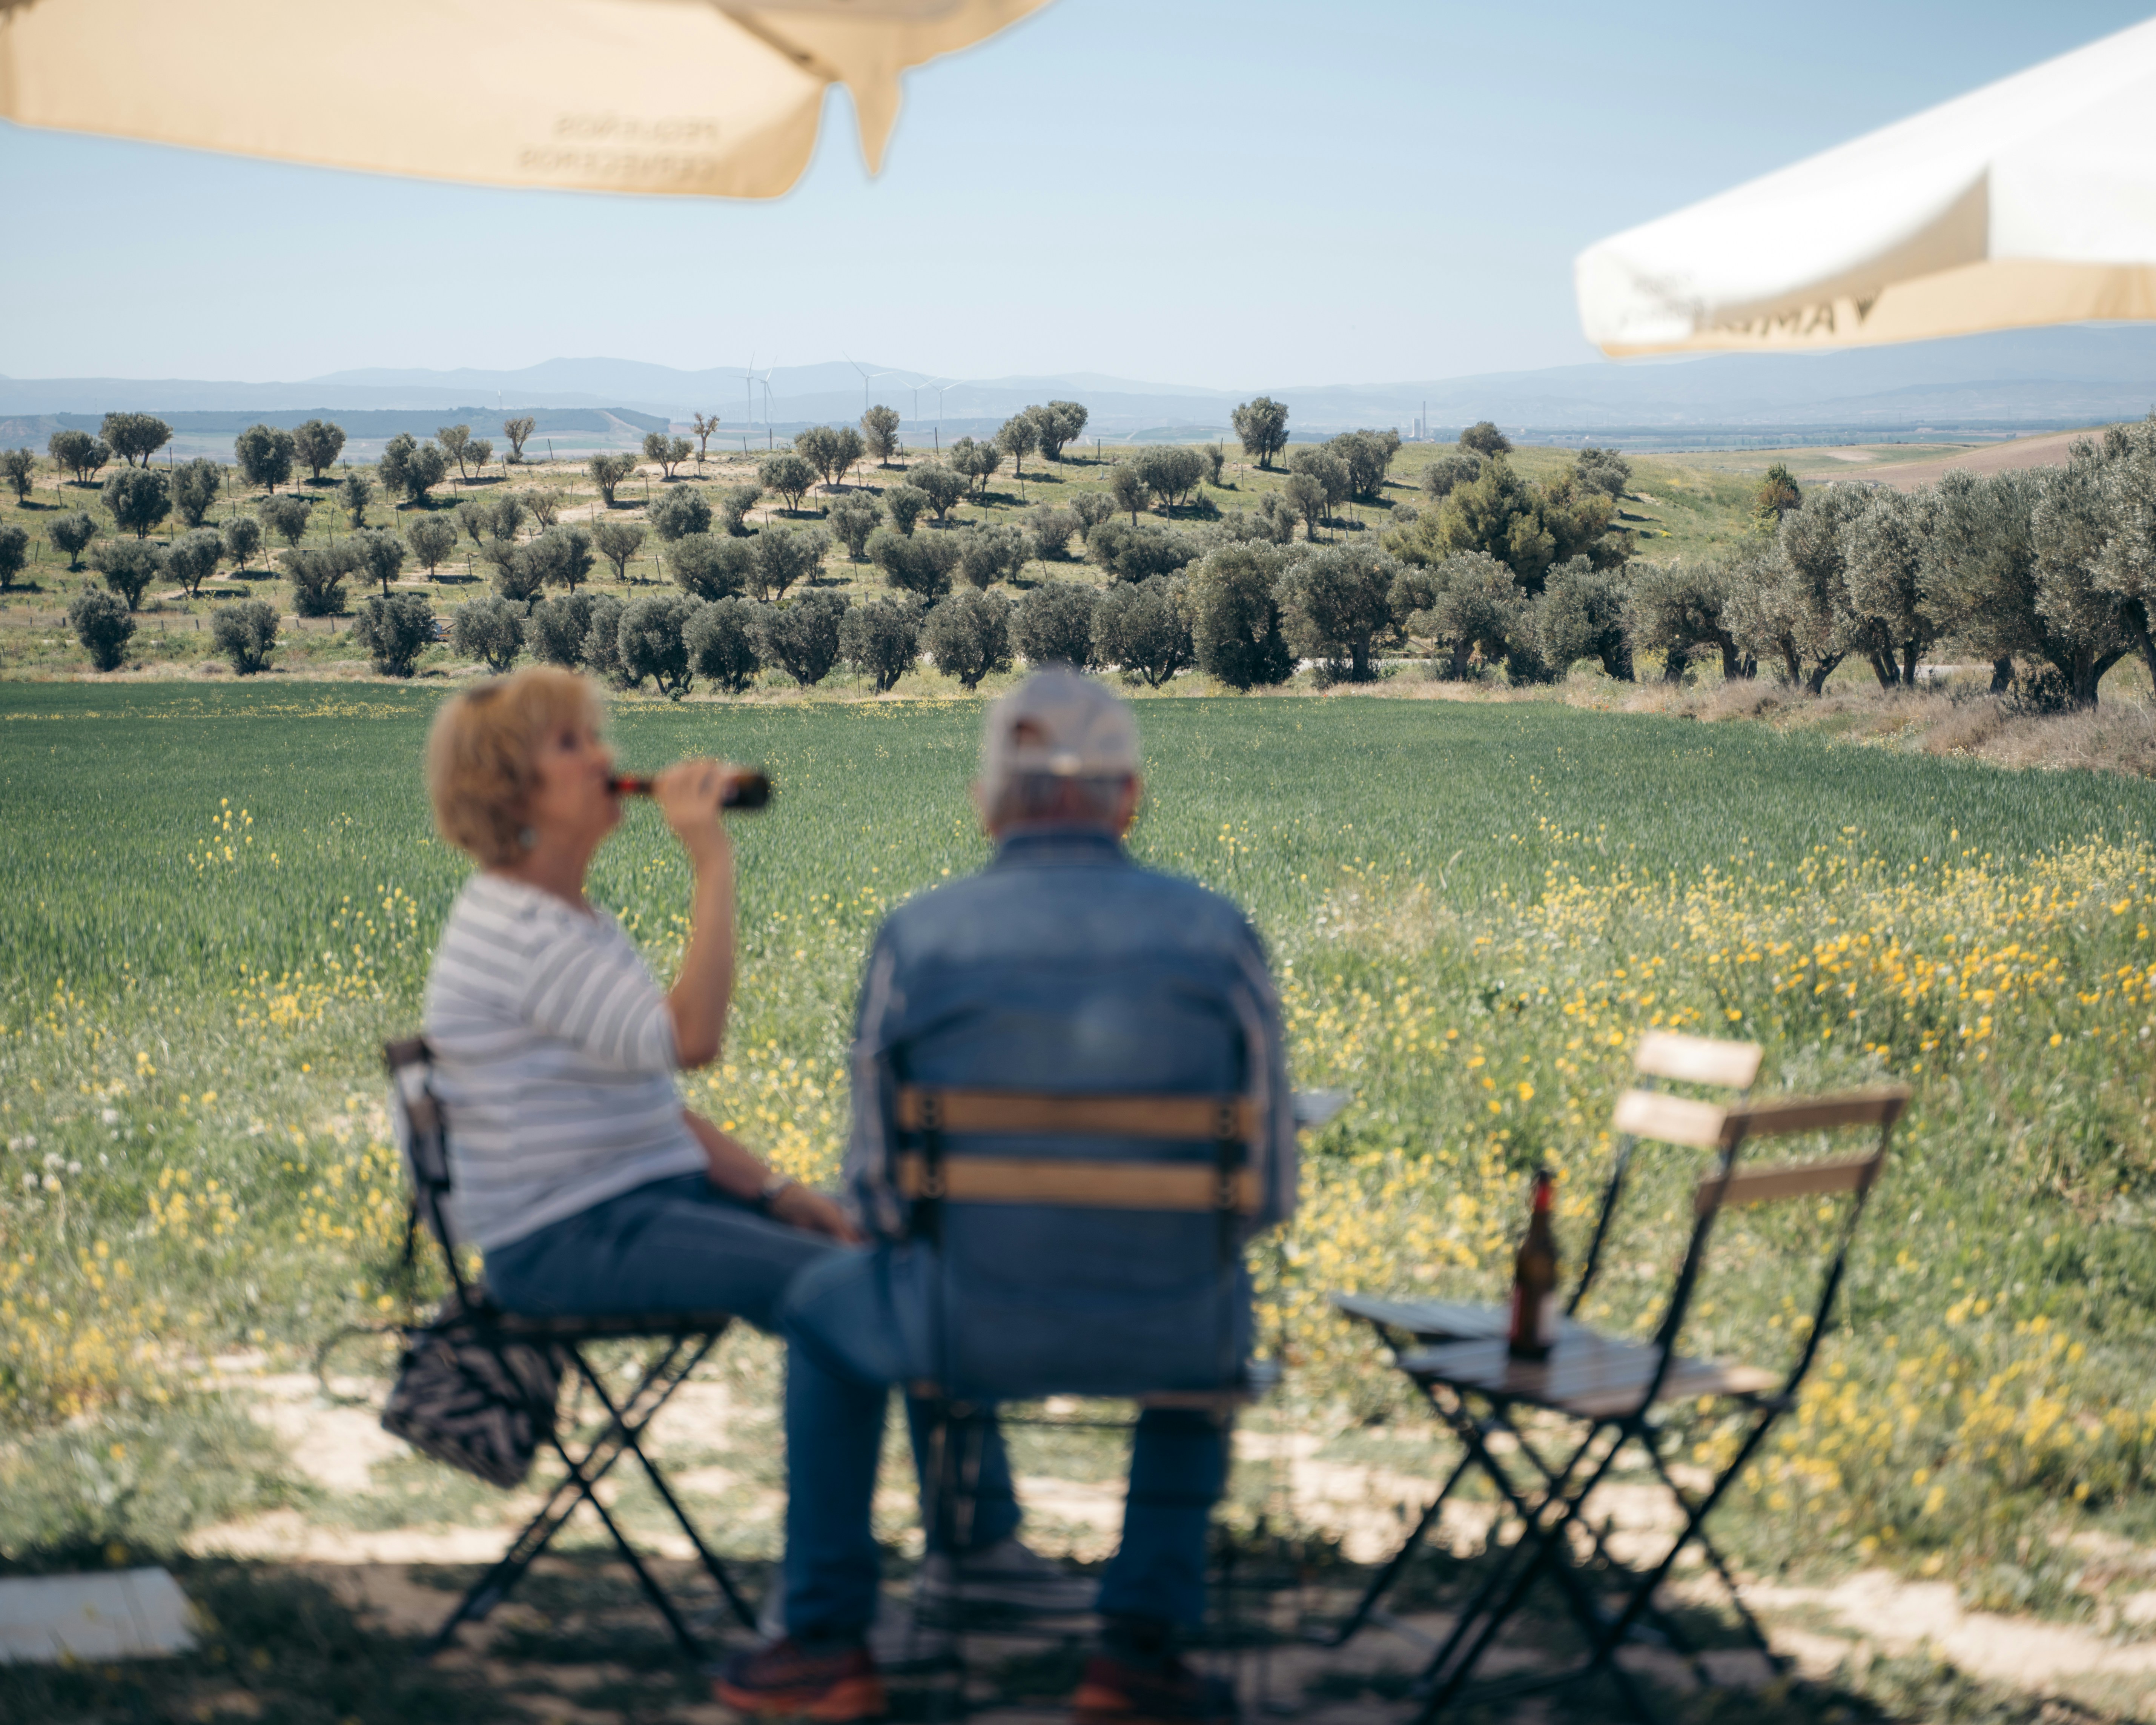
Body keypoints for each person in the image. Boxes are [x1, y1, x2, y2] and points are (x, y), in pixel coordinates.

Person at [418, 667, 1083, 1630]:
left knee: (885, 1247)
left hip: (636, 1202)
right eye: (570, 744)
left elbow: (650, 1110)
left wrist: (780, 1194)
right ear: (506, 788)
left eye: (593, 736)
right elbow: (691, 1043)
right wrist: (710, 860)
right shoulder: (519, 929)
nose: (606, 758)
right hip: (568, 1238)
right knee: (836, 1297)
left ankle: (975, 1545)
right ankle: (828, 1608)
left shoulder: (567, 921)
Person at [718, 667, 1297, 1725]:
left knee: (819, 1309)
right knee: (1220, 1313)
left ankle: (824, 1638)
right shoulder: (1220, 936)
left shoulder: (918, 937)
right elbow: (1263, 1191)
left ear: (987, 800)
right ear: (1128, 796)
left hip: (961, 1325)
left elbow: (882, 1193)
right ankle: (1137, 1650)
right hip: (1174, 1330)